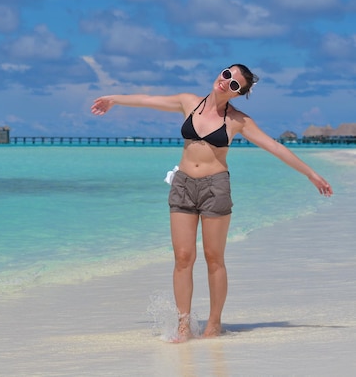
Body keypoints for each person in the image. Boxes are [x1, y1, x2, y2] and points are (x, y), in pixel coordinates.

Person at [90, 64, 333, 342]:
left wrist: (312, 174)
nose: (226, 82)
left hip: (215, 188)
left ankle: (213, 323)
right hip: (182, 184)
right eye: (226, 75)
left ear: (238, 93)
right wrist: (113, 99)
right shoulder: (188, 102)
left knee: (214, 258)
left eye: (234, 84)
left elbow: (275, 147)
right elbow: (148, 101)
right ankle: (183, 324)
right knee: (183, 258)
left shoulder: (239, 120)